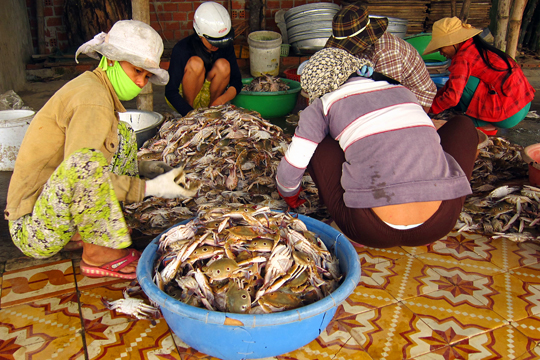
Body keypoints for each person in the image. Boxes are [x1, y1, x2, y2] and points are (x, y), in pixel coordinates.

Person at [4, 20, 197, 279]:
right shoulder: (92, 101)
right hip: (35, 230)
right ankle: (98, 254)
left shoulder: (94, 88)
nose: (141, 82)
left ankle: (98, 226)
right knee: (85, 163)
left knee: (124, 133)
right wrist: (154, 188)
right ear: (110, 61)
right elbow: (83, 171)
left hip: (54, 210)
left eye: (147, 76)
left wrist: (145, 167)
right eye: (136, 71)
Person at [275, 47, 478, 248]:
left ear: (316, 86)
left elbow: (290, 171)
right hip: (441, 223)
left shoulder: (322, 105)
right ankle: (446, 187)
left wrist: (291, 196)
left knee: (316, 142)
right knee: (464, 126)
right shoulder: (403, 92)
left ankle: (340, 218)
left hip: (367, 229)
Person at [423, 17, 535, 133]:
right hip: (523, 105)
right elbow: (449, 86)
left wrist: (427, 109)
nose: (441, 53)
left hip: (508, 116)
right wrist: (431, 102)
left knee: (465, 84)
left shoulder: (463, 57)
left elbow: (452, 97)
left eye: (441, 48)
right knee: (458, 83)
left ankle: (479, 124)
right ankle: (486, 121)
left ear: (453, 42)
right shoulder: (477, 47)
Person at [324, 1, 437, 112]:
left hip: (414, 99)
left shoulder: (387, 52)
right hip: (384, 89)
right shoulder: (364, 48)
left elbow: (386, 97)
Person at [165, 1, 242, 116]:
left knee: (223, 65)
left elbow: (236, 82)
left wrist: (220, 101)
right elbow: (170, 92)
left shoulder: (226, 46)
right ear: (200, 35)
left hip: (210, 97)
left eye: (221, 41)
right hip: (183, 100)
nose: (217, 46)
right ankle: (190, 113)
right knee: (196, 63)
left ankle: (210, 112)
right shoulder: (182, 49)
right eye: (213, 41)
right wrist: (190, 114)